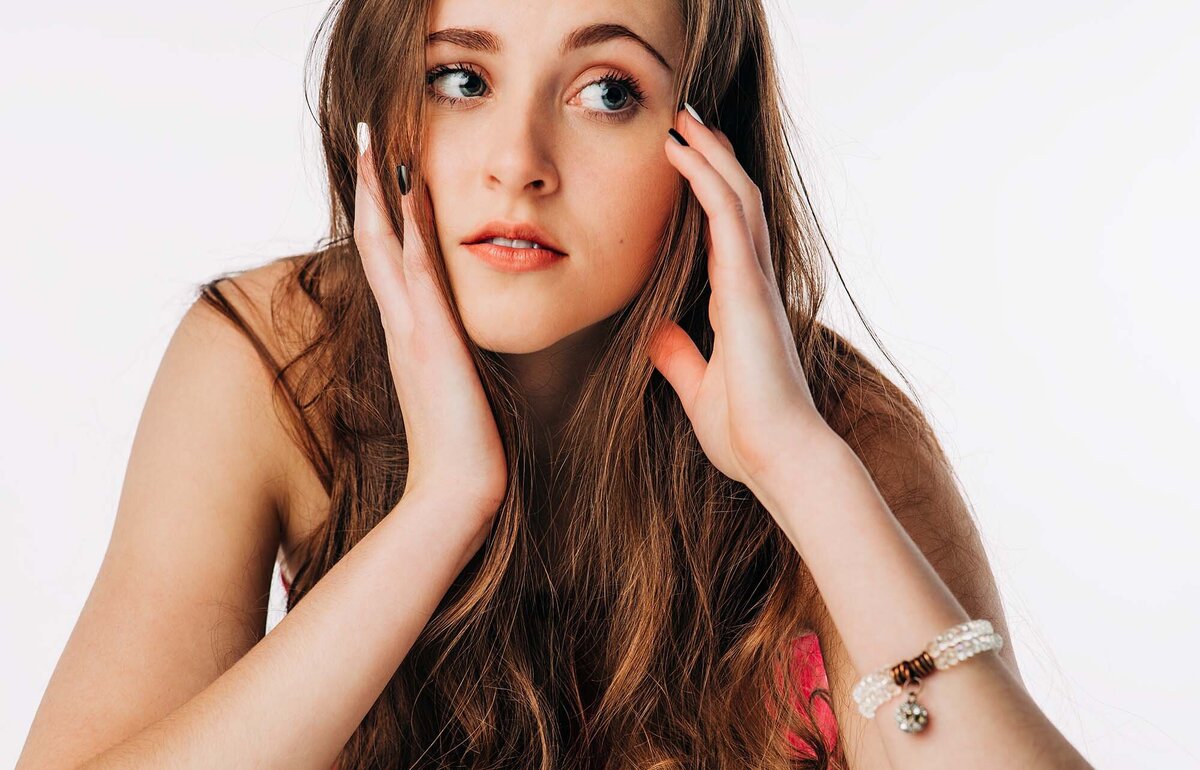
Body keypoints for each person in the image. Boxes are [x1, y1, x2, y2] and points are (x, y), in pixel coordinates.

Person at [18, 0, 1093, 768]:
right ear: (387, 100)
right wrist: (440, 507)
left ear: (705, 142)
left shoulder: (836, 431)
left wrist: (800, 465)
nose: (517, 160)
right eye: (462, 78)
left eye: (606, 90)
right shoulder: (271, 364)